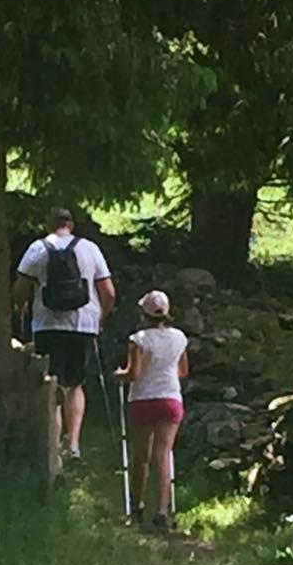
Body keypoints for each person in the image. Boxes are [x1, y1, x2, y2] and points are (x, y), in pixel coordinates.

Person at [13, 208, 116, 460]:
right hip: (83, 326)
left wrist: (21, 307)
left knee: (51, 384)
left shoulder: (37, 248)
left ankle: (53, 446)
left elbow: (20, 288)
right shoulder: (90, 248)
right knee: (76, 384)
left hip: (47, 325)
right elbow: (109, 292)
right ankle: (74, 444)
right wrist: (100, 318)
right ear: (71, 224)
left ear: (48, 224)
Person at [114, 290, 189, 528]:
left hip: (143, 400)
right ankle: (162, 510)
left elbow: (134, 374)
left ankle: (137, 506)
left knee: (141, 456)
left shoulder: (138, 339)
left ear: (143, 314)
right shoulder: (179, 337)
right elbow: (183, 371)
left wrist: (119, 375)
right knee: (164, 453)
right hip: (170, 399)